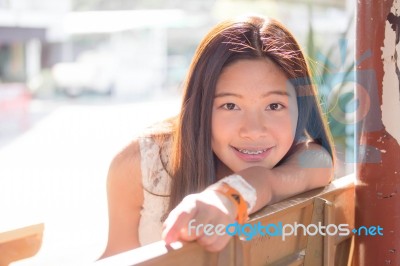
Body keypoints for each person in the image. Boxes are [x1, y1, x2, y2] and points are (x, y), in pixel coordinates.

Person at [100, 15, 335, 258]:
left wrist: (230, 196)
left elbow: (274, 180)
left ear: (302, 108)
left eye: (274, 106)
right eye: (230, 106)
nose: (253, 130)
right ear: (200, 107)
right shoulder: (141, 166)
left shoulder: (309, 159)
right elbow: (117, 255)